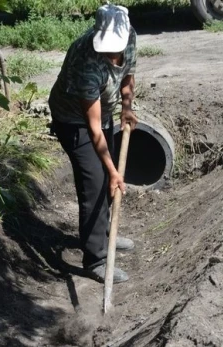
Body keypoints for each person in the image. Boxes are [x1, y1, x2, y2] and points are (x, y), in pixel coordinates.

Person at [49, 4, 137, 284]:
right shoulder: (85, 62)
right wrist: (113, 172)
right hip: (74, 121)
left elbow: (128, 73)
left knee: (106, 176)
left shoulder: (129, 35)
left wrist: (126, 106)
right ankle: (95, 259)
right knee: (96, 182)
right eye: (107, 49)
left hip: (106, 111)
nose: (112, 54)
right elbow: (94, 129)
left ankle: (105, 231)